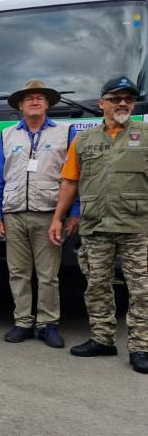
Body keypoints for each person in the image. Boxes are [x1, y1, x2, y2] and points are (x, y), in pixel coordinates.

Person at [49, 76, 148, 374]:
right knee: (97, 286)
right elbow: (70, 182)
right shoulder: (84, 140)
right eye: (116, 99)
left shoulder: (145, 134)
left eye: (128, 99)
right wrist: (57, 218)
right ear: (102, 103)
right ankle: (102, 339)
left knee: (142, 290)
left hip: (137, 226)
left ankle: (141, 347)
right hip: (95, 224)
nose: (123, 104)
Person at [0, 80, 75, 348]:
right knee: (18, 272)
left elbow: (75, 177)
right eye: (29, 98)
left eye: (40, 98)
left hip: (49, 214)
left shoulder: (65, 133)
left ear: (47, 104)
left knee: (48, 275)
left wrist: (74, 212)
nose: (35, 101)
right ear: (20, 105)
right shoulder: (6, 135)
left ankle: (47, 324)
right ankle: (23, 322)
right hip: (13, 214)